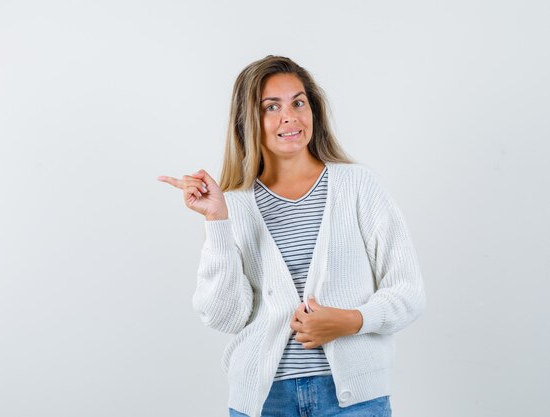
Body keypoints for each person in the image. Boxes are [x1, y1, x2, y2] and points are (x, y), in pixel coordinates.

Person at [157, 55, 426, 417]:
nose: (290, 116)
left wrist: (350, 320)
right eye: (271, 107)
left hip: (354, 400)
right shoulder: (233, 205)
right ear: (247, 120)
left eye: (298, 102)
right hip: (266, 403)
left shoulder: (358, 186)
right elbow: (225, 316)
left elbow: (408, 290)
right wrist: (218, 221)